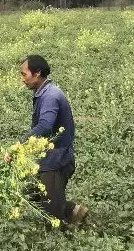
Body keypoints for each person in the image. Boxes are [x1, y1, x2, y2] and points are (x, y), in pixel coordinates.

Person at [17, 55, 87, 227]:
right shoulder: (45, 92)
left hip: (57, 160)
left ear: (37, 73)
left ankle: (70, 220)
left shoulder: (50, 96)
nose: (22, 79)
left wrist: (19, 146)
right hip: (49, 157)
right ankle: (74, 210)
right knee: (30, 194)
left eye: (24, 74)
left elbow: (45, 126)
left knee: (52, 216)